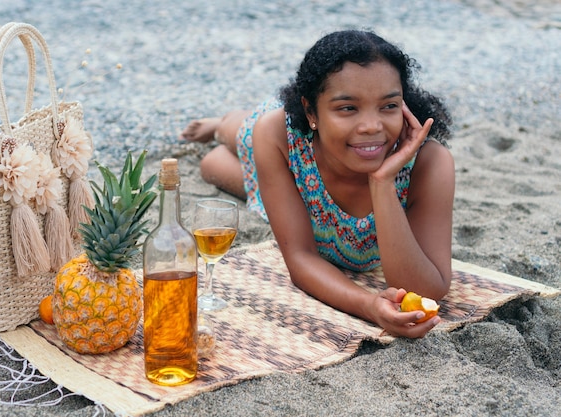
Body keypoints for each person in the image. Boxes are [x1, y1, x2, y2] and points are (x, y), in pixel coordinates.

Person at [181, 30, 455, 338]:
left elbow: (426, 290)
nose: (372, 126)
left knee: (211, 165)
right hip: (289, 143)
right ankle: (220, 124)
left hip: (301, 183)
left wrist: (382, 183)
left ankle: (252, 159)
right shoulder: (278, 135)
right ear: (311, 111)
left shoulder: (429, 164)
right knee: (240, 136)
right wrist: (369, 305)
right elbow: (300, 258)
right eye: (348, 108)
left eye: (389, 105)